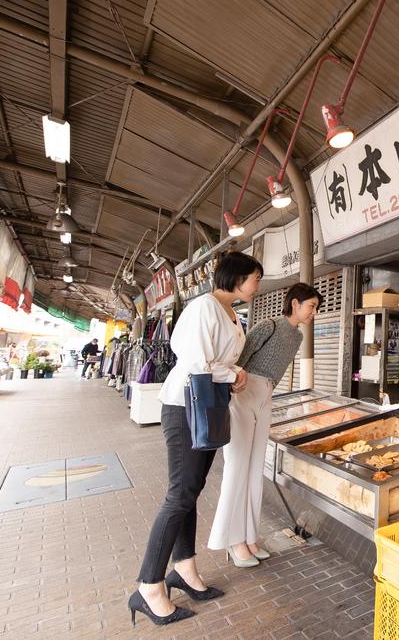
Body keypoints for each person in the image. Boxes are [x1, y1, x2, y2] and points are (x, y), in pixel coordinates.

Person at [129, 252, 262, 627]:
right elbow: (194, 362)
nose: (257, 286)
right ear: (235, 278)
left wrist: (231, 374)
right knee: (179, 494)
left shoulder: (231, 313)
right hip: (185, 407)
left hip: (207, 407)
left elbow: (214, 365)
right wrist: (233, 372)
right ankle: (149, 584)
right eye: (254, 278)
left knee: (191, 491)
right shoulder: (204, 308)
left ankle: (183, 568)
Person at [208, 283, 322, 566]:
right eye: (311, 307)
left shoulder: (296, 337)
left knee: (255, 468)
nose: (314, 313)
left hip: (266, 396)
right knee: (237, 469)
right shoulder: (268, 326)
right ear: (295, 304)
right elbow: (239, 360)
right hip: (242, 393)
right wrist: (236, 384)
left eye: (316, 308)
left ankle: (248, 537)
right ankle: (233, 541)